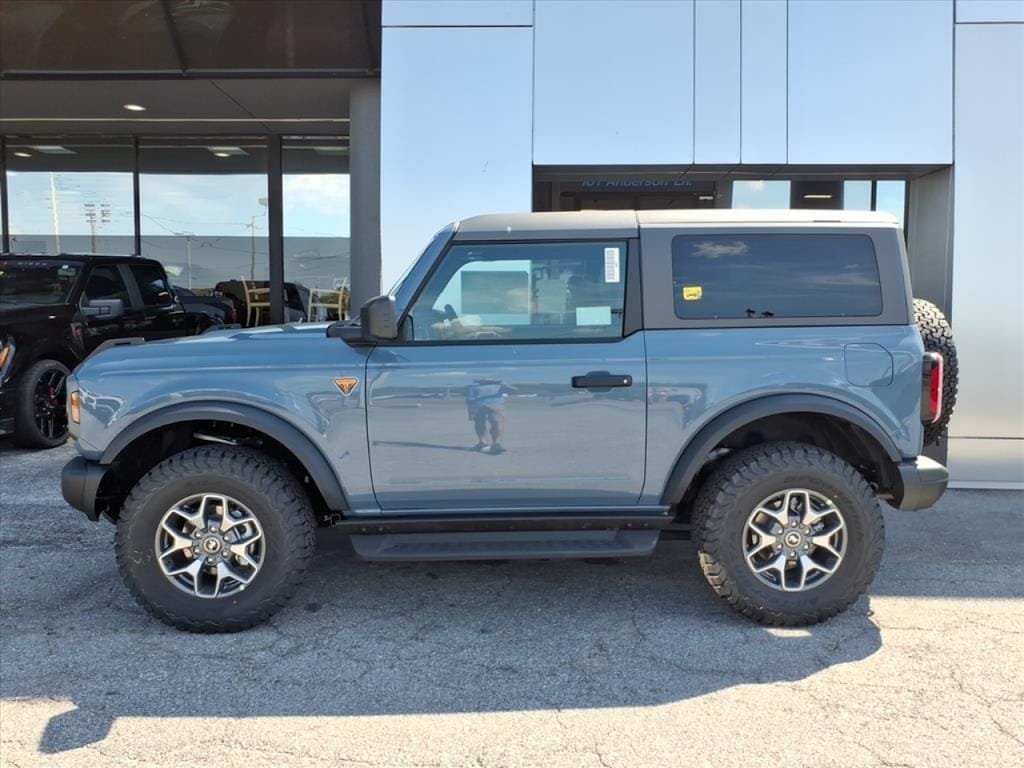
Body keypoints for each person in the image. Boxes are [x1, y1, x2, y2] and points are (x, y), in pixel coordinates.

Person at [466, 379, 515, 454]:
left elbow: (514, 390)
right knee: (479, 423)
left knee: (497, 423)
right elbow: (469, 396)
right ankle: (483, 442)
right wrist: (470, 405)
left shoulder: (499, 385)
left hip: (495, 405)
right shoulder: (474, 386)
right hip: (477, 405)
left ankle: (496, 443)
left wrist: (501, 383)